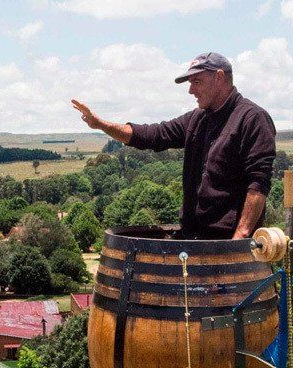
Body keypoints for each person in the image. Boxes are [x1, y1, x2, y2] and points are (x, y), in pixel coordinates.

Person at [72, 52, 276, 240]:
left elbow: (258, 185)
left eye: (197, 82)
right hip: (192, 238)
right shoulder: (197, 119)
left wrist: (240, 238)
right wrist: (100, 124)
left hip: (228, 242)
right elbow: (151, 135)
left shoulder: (252, 119)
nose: (191, 90)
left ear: (220, 77)